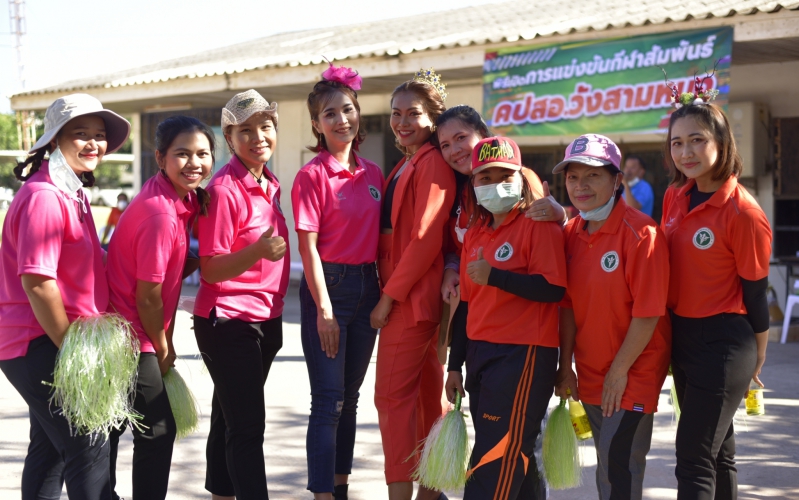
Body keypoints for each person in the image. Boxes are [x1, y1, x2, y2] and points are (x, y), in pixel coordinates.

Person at [0, 93, 130, 499]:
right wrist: (73, 349)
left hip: (46, 340)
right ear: (54, 140)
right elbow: (38, 282)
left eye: (99, 135)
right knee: (90, 447)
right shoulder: (44, 196)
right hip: (38, 340)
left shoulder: (71, 192)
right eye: (80, 134)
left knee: (50, 452)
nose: (93, 143)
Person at [661, 93, 771, 500]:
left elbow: (756, 293)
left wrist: (758, 355)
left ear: (721, 144)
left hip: (725, 343)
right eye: (677, 142)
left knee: (693, 457)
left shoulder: (743, 212)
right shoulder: (675, 195)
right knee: (718, 453)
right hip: (683, 337)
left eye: (697, 140)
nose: (685, 152)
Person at [444, 136, 567, 500]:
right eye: (485, 177)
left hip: (522, 354)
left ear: (520, 178)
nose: (495, 184)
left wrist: (496, 276)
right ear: (473, 183)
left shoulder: (538, 223)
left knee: (495, 459)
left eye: (504, 176)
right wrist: (454, 366)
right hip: (480, 353)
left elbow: (553, 288)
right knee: (514, 456)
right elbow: (467, 305)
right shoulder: (475, 234)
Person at [552, 134, 671, 500]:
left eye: (593, 176)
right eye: (573, 177)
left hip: (632, 373)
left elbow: (648, 313)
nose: (581, 186)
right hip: (590, 374)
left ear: (617, 180)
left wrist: (618, 372)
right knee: (607, 468)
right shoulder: (570, 232)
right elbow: (567, 306)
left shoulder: (643, 234)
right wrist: (565, 366)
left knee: (620, 465)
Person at [106, 116, 214, 500]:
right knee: (157, 429)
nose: (194, 163)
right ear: (160, 158)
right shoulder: (161, 214)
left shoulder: (178, 197)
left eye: (203, 154)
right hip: (131, 336)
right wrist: (164, 346)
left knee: (116, 425)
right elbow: (147, 296)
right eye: (182, 154)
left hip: (133, 331)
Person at [291, 64, 383, 500]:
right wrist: (325, 310)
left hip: (368, 288)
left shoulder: (374, 173)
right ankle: (322, 494)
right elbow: (307, 249)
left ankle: (340, 487)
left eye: (347, 109)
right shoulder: (311, 176)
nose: (341, 119)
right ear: (316, 124)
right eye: (330, 113)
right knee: (328, 400)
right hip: (329, 290)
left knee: (350, 397)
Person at [194, 89, 289, 500]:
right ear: (229, 139)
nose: (257, 137)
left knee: (228, 418)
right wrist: (257, 251)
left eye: (265, 126)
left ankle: (221, 494)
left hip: (266, 316)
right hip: (229, 321)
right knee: (248, 428)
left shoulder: (268, 182)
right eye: (245, 130)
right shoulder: (224, 189)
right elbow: (211, 268)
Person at [370, 69, 455, 500]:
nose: (402, 121)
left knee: (391, 400)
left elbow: (424, 240)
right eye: (396, 113)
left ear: (433, 117)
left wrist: (388, 299)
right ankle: (431, 490)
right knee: (424, 398)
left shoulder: (432, 162)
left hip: (410, 298)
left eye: (414, 113)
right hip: (411, 293)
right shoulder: (411, 160)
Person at [433, 105, 564, 306]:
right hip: (475, 304)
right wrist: (451, 268)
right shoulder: (461, 189)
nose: (455, 150)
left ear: (482, 133)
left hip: (516, 308)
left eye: (461, 138)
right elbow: (458, 247)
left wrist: (562, 216)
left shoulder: (520, 180)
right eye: (445, 145)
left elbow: (540, 242)